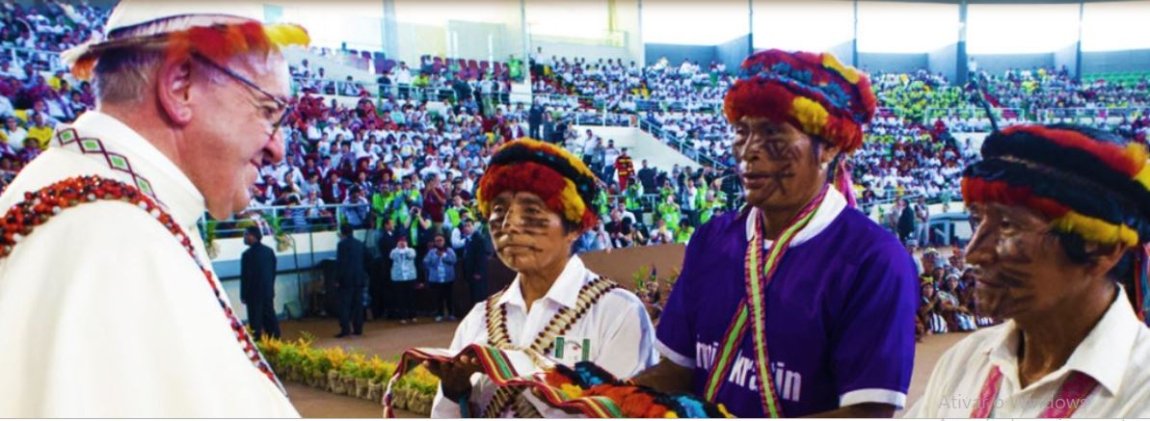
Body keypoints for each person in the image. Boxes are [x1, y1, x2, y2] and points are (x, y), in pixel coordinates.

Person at [0, 2, 307, 417]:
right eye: (268, 111)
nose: (278, 148)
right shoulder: (119, 243)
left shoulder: (104, 205)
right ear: (180, 86)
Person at [631, 50, 918, 418]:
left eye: (772, 133)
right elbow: (676, 371)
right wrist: (603, 402)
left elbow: (867, 413)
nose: (749, 152)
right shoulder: (711, 240)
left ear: (829, 145)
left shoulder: (874, 260)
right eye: (742, 131)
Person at [908, 124, 1150, 417]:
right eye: (977, 220)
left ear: (1101, 248)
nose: (974, 253)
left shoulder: (1140, 392)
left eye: (1008, 225)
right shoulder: (965, 362)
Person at [426, 138, 658, 417]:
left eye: (532, 211)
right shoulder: (480, 318)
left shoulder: (617, 313)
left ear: (574, 227)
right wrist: (457, 393)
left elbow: (626, 411)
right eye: (498, 210)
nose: (509, 225)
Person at [241, 226, 280, 340]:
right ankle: (275, 341)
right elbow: (273, 271)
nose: (244, 237)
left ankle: (258, 342)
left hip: (253, 293)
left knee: (255, 321)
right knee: (270, 317)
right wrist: (270, 287)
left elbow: (246, 276)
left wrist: (243, 294)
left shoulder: (247, 254)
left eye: (246, 234)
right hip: (267, 290)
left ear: (253, 236)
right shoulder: (269, 251)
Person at [335, 223, 368, 338]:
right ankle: (358, 329)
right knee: (358, 305)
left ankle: (345, 329)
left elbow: (340, 263)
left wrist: (337, 278)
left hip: (346, 279)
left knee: (345, 305)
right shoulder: (359, 243)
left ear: (342, 232)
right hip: (359, 278)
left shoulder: (341, 245)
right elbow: (368, 258)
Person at [424, 233, 458, 322]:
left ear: (444, 241)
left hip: (448, 278)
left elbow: (454, 260)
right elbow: (426, 262)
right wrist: (436, 257)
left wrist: (444, 256)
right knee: (438, 297)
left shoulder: (449, 250)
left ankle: (451, 314)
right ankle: (440, 314)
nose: (439, 242)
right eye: (437, 241)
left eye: (440, 240)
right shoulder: (431, 252)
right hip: (436, 278)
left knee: (449, 297)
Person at [390, 236, 419, 324]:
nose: (402, 243)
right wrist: (399, 249)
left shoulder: (411, 250)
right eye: (400, 241)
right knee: (400, 298)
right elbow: (392, 257)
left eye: (404, 241)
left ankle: (413, 315)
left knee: (411, 297)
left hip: (410, 277)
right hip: (398, 277)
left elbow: (411, 256)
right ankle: (402, 316)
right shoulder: (394, 251)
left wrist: (405, 249)